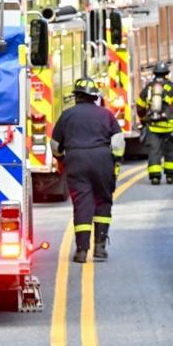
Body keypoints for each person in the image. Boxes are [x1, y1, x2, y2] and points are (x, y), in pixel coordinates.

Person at [51, 76, 122, 263]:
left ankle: (81, 251)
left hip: (76, 160)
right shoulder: (106, 115)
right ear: (94, 97)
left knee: (82, 203)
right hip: (102, 160)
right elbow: (117, 141)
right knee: (103, 201)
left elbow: (55, 144)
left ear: (77, 97)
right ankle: (100, 247)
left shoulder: (67, 115)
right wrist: (116, 160)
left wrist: (61, 159)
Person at [138, 62, 173, 185]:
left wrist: (143, 119)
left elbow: (140, 107)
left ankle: (155, 177)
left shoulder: (148, 88)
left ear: (155, 74)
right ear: (167, 74)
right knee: (171, 151)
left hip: (153, 127)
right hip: (170, 127)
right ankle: (170, 176)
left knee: (154, 151)